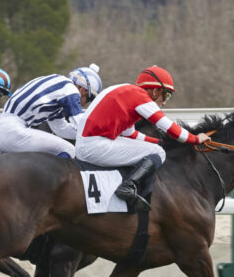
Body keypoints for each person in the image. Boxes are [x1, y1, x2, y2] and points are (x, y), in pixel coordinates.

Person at [75, 65, 210, 207]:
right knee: (158, 153)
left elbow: (129, 133)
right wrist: (195, 138)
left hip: (90, 143)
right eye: (167, 95)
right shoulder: (141, 97)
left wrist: (158, 141)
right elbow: (170, 128)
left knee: (155, 148)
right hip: (94, 146)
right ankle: (127, 186)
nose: (164, 102)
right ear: (155, 91)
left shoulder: (128, 92)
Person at [0, 64, 102, 159]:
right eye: (89, 99)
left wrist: (89, 134)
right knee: (69, 150)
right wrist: (101, 134)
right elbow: (79, 124)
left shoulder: (58, 89)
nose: (83, 104)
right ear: (83, 89)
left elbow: (60, 129)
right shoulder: (70, 89)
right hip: (12, 131)